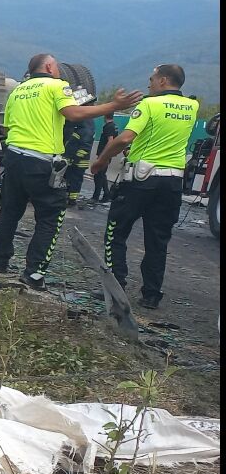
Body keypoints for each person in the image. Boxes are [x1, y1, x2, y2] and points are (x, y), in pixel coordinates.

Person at [0, 53, 142, 290]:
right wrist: (114, 106)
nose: (60, 70)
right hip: (40, 161)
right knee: (51, 215)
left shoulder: (18, 91)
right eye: (57, 66)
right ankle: (34, 273)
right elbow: (74, 113)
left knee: (10, 211)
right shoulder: (57, 85)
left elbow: (8, 125)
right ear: (49, 67)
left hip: (13, 158)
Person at [89, 64, 198, 309]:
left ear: (163, 80)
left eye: (152, 79)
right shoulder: (192, 107)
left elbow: (126, 137)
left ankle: (115, 286)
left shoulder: (149, 104)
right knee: (157, 240)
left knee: (115, 231)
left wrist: (101, 160)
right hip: (172, 183)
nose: (149, 84)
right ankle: (151, 294)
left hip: (141, 180)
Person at [63, 116, 96, 207]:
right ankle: (69, 196)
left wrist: (75, 159)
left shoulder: (85, 132)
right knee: (71, 180)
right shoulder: (81, 130)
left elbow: (85, 148)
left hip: (78, 163)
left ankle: (72, 200)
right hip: (74, 161)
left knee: (75, 181)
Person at [90, 114, 119, 203]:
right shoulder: (114, 126)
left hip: (105, 155)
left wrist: (103, 155)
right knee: (101, 174)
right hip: (108, 154)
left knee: (98, 175)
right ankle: (107, 195)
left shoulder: (108, 126)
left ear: (104, 116)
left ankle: (96, 197)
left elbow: (110, 141)